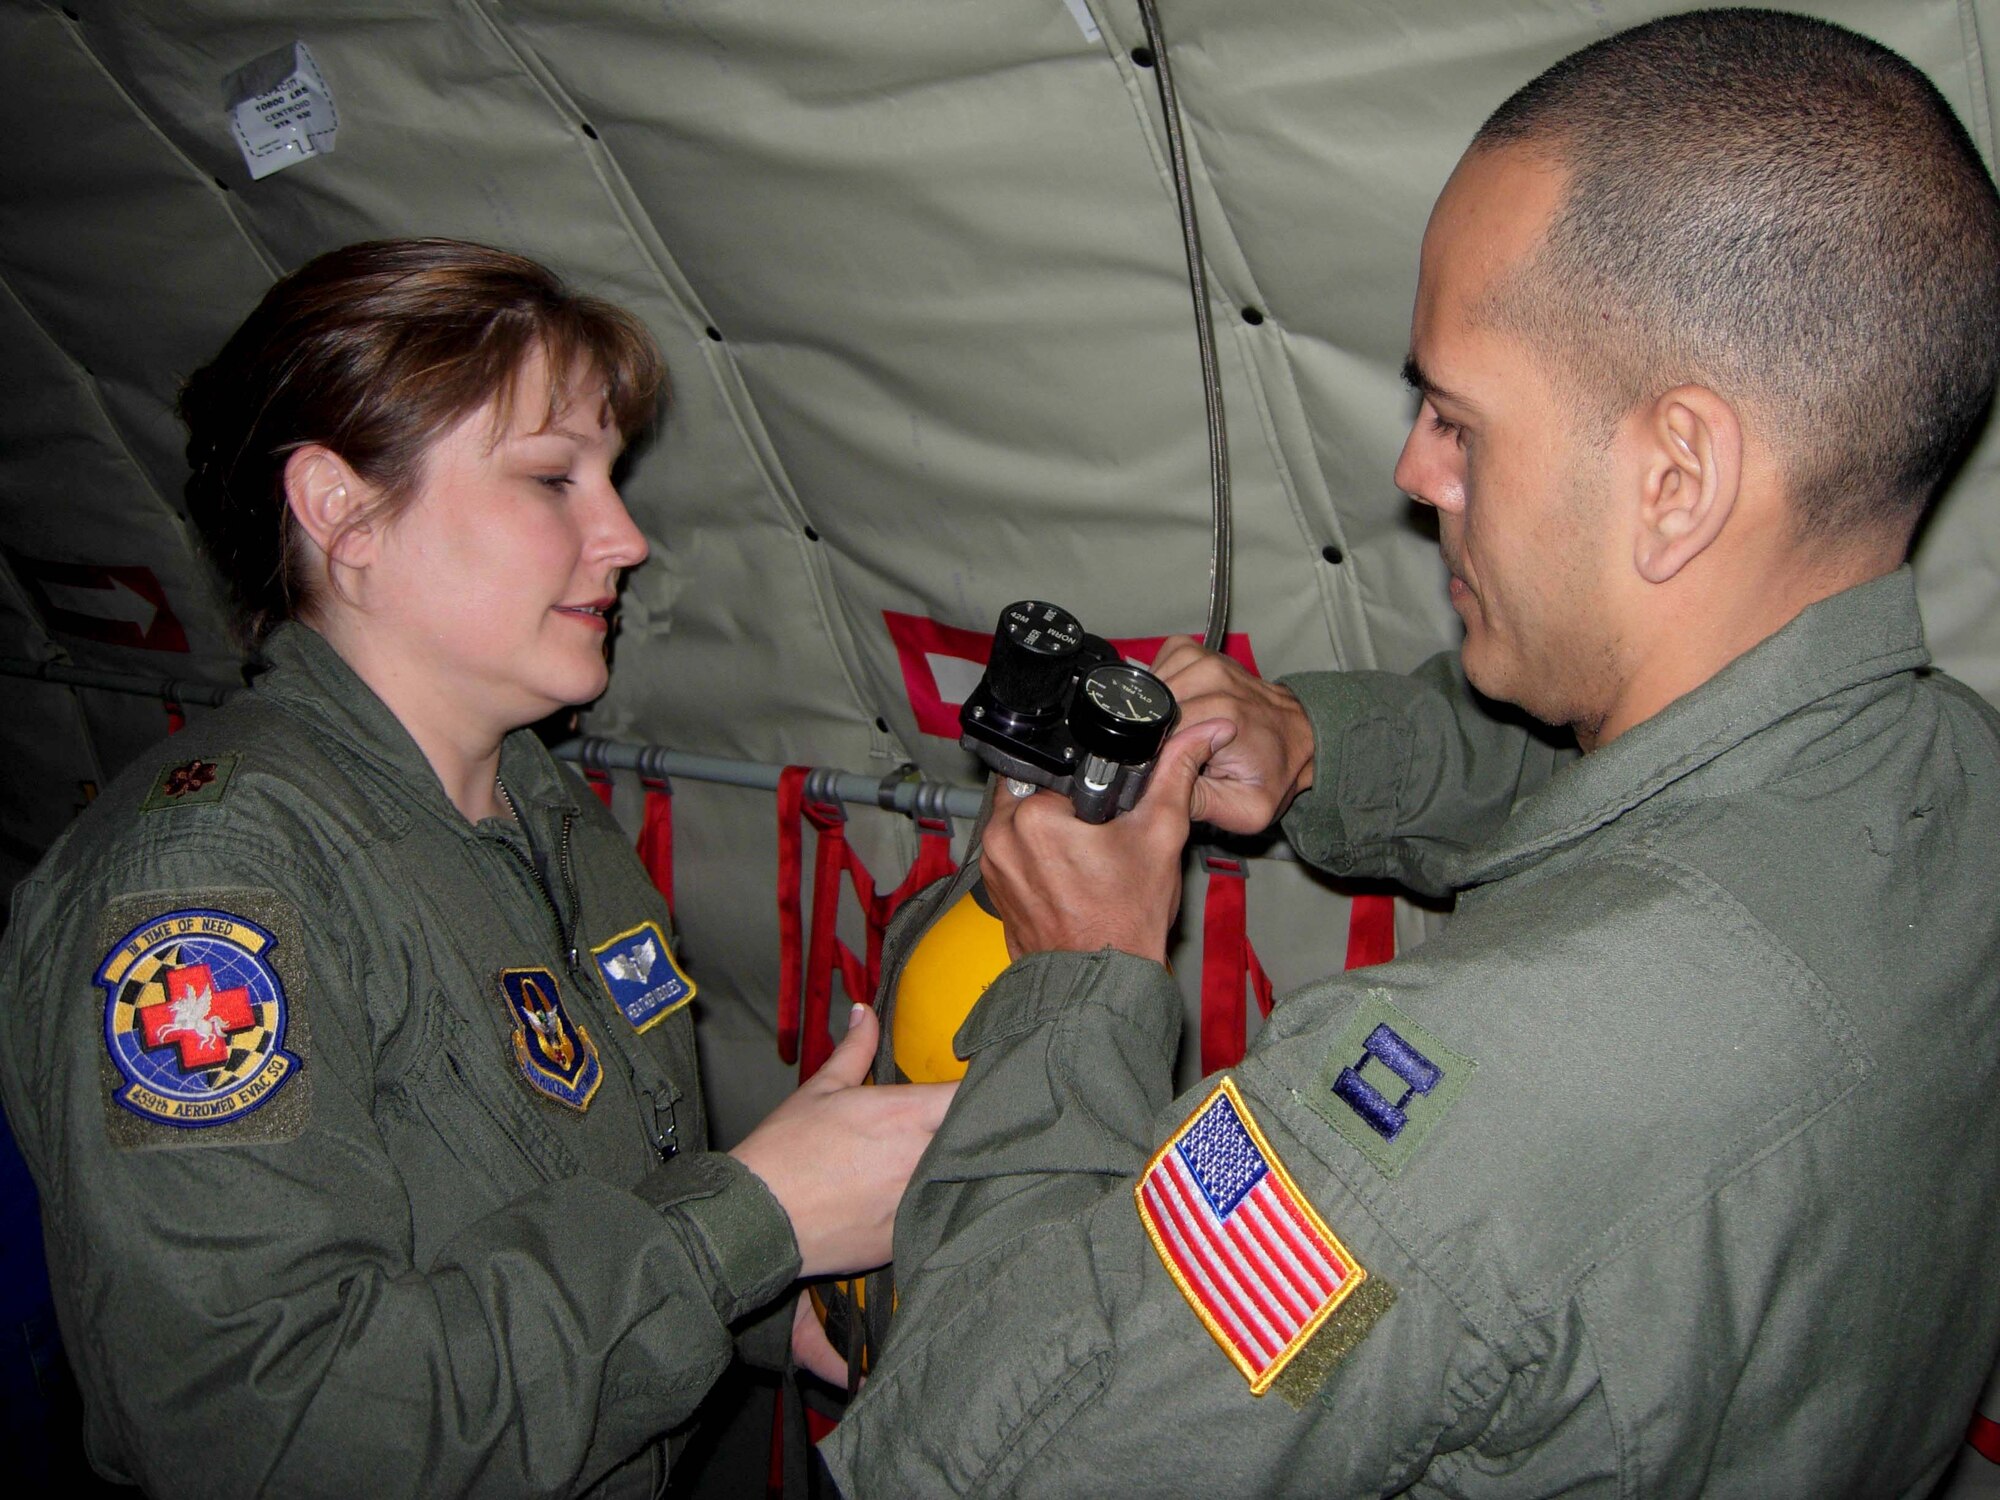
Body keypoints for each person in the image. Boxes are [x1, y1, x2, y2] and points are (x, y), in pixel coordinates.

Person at [824, 10, 2000, 1496]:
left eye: (1458, 416)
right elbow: (1619, 801)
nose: (1414, 472)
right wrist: (1313, 745)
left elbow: (988, 1450)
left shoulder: (1441, 1119)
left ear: (1678, 477)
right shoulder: (1947, 777)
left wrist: (1083, 970)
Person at [0, 238, 951, 1498]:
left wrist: (778, 1297)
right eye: (553, 477)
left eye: (607, 478)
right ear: (342, 512)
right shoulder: (211, 889)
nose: (623, 538)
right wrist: (748, 1222)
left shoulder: (545, 813)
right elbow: (263, 1431)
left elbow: (574, 1209)